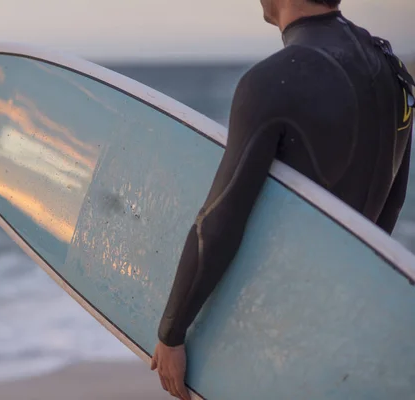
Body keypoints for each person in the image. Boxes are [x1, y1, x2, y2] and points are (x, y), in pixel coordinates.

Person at [150, 0, 415, 399]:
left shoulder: (273, 81)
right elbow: (392, 203)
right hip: (341, 322)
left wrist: (171, 334)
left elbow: (220, 221)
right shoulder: (393, 71)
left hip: (275, 329)